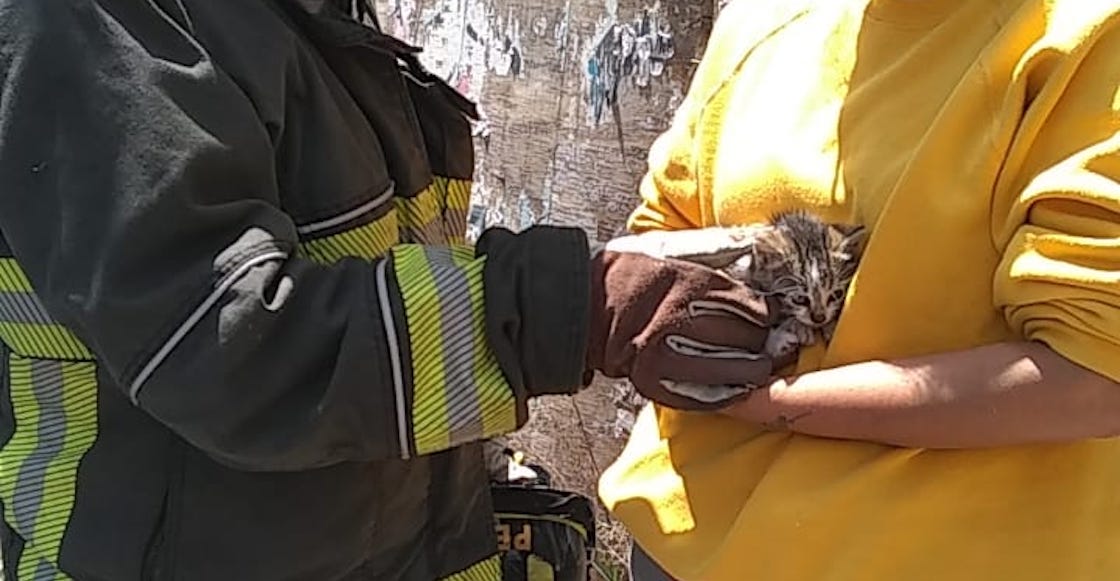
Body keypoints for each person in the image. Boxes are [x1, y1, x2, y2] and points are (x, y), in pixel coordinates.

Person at [0, 1, 786, 579]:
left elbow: (385, 295)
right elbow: (231, 343)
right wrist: (569, 311)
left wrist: (482, 480)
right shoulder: (90, 25)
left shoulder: (296, 26)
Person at [599, 0, 1120, 580]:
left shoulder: (1088, 35)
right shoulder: (761, 20)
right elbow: (660, 231)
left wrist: (760, 402)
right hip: (678, 544)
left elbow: (1092, 381)